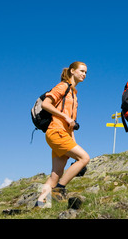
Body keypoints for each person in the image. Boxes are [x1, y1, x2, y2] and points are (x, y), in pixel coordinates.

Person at [36, 62, 90, 208]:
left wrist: (73, 142)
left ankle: (39, 205)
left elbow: (71, 126)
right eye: (82, 71)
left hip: (63, 133)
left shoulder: (74, 93)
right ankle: (60, 189)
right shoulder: (63, 86)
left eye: (86, 72)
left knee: (55, 174)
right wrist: (65, 117)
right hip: (55, 131)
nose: (84, 74)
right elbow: (45, 104)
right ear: (72, 71)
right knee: (84, 158)